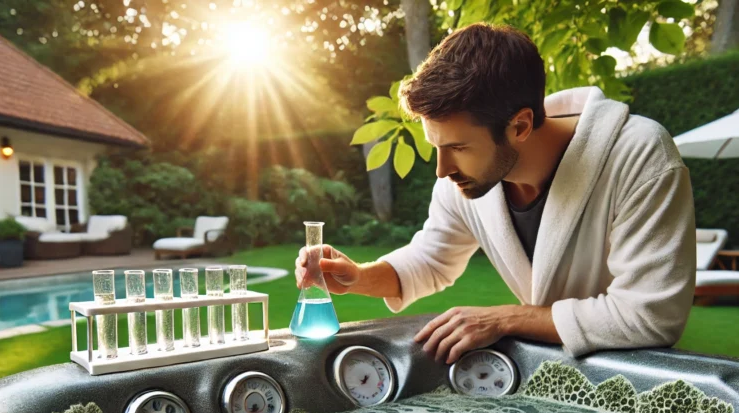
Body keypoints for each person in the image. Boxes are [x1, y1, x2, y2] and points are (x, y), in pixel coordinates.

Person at [295, 23, 696, 363]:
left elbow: (650, 314)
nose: (442, 169)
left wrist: (504, 319)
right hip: (544, 376)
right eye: (437, 146)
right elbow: (431, 260)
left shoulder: (638, 155)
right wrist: (358, 277)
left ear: (520, 126)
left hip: (635, 384)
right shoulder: (465, 180)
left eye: (458, 147)